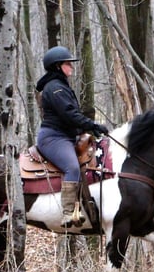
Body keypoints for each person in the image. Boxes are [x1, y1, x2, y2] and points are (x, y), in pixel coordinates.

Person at [36, 45, 108, 227]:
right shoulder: (55, 88)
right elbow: (69, 114)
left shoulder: (60, 86)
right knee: (72, 168)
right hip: (54, 137)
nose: (72, 67)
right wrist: (92, 125)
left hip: (67, 136)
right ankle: (68, 213)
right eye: (68, 63)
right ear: (57, 66)